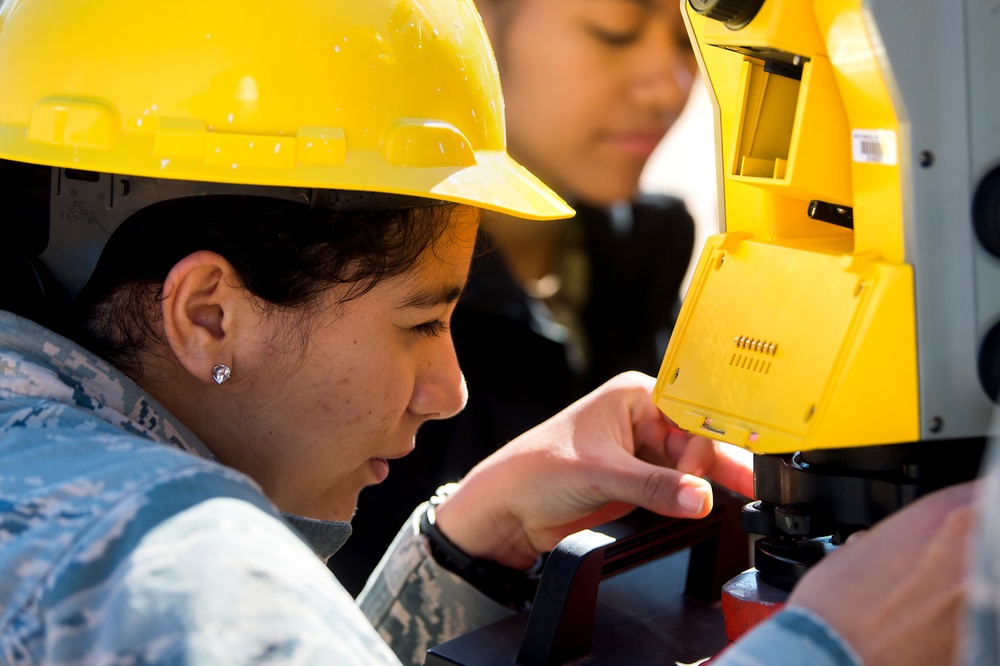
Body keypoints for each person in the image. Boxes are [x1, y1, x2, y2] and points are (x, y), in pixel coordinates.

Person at [0, 1, 755, 664]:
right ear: (209, 316)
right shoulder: (190, 573)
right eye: (422, 321)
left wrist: (465, 551)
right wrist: (827, 640)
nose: (449, 392)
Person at [335, 0, 706, 594]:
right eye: (616, 32)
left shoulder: (647, 251)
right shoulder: (349, 282)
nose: (669, 84)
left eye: (691, 40)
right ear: (477, 18)